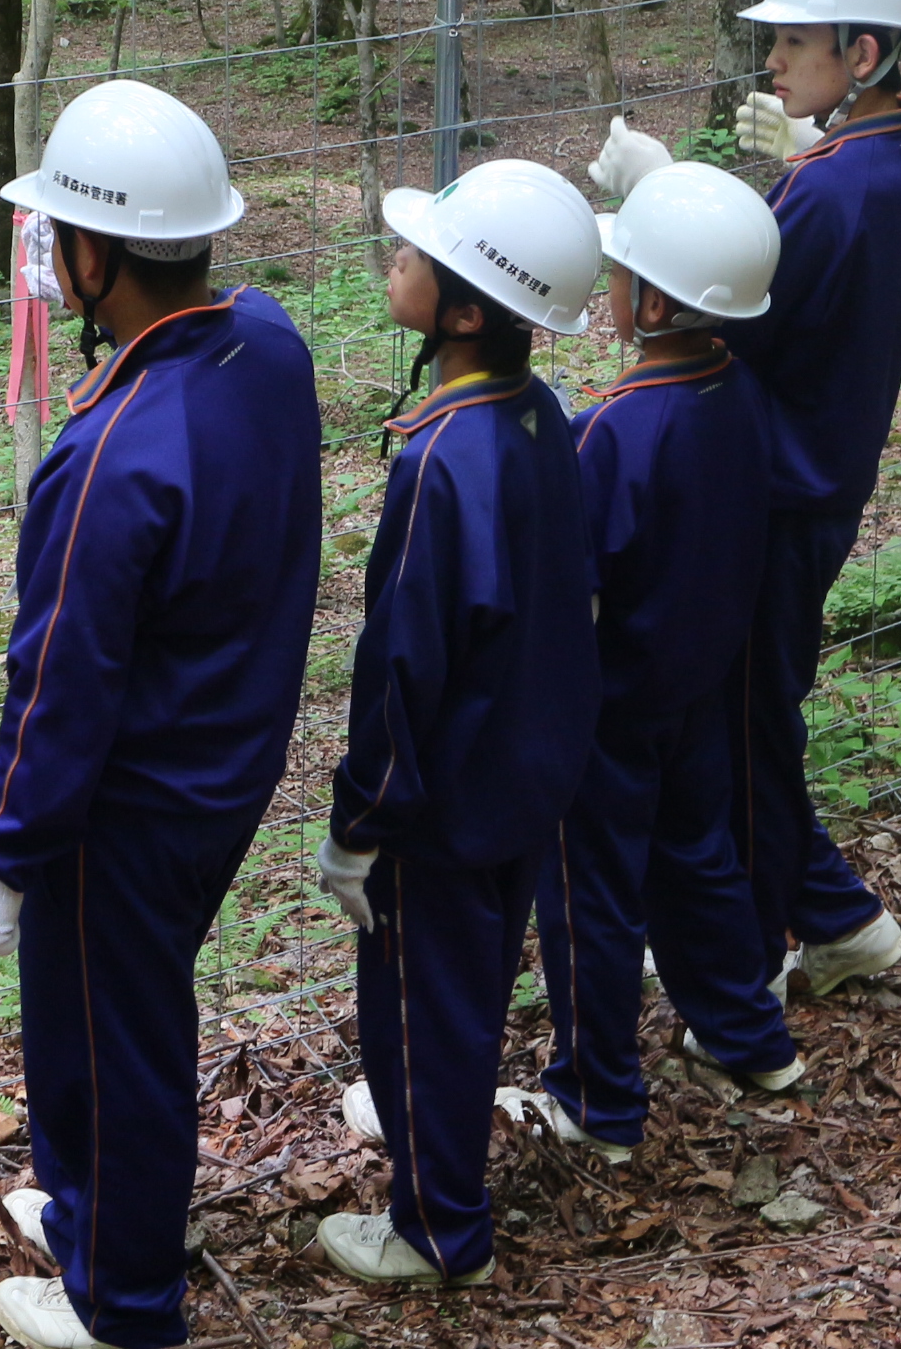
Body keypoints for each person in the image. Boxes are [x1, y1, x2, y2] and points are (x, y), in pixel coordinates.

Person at [0, 80, 324, 1349]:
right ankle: (103, 1205)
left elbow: (60, 679)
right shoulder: (264, 343)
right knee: (114, 1011)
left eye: (58, 233)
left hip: (131, 800)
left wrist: (3, 848)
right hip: (228, 754)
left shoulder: (110, 454)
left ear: (96, 253)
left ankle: (124, 1300)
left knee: (111, 1030)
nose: (46, 255)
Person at [316, 160, 602, 1292]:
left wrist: (363, 822)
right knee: (468, 988)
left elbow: (403, 662)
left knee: (416, 1005)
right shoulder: (541, 417)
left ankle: (438, 1228)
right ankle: (435, 1136)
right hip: (526, 777)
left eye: (416, 255)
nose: (395, 260)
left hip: (440, 805)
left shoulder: (441, 460)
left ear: (470, 311)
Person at [521, 162, 803, 1163]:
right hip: (699, 685)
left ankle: (598, 1099)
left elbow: (572, 582)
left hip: (611, 708)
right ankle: (749, 1037)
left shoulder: (611, 431)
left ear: (651, 300)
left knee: (589, 895)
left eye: (621, 271)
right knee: (698, 857)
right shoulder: (738, 394)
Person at [712, 0, 901, 997]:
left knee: (743, 726)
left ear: (862, 55)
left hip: (766, 488)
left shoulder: (827, 194)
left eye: (794, 44)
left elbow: (722, 322)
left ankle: (750, 964)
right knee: (750, 713)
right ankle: (841, 921)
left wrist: (647, 207)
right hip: (832, 470)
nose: (772, 62)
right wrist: (806, 153)